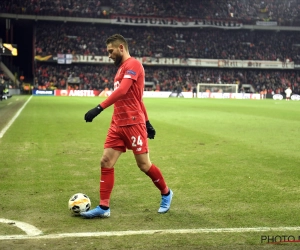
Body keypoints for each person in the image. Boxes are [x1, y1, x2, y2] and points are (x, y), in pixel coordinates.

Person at [81, 34, 173, 219]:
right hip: (117, 123)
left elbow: (123, 91)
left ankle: (166, 193)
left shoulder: (134, 65)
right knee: (106, 161)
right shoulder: (120, 69)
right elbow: (137, 98)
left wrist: (99, 108)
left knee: (144, 165)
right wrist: (148, 121)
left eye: (111, 51)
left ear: (121, 47)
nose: (109, 55)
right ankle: (104, 207)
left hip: (132, 123)